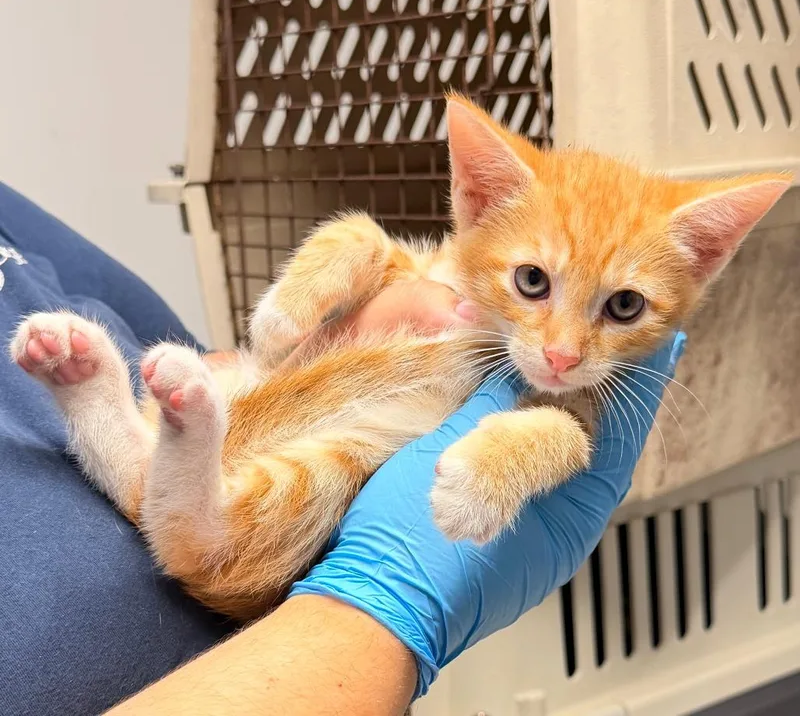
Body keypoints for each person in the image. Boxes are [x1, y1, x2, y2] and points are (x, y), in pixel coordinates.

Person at [0, 181, 683, 715]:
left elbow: (562, 429)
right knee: (297, 448)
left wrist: (336, 337)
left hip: (241, 447)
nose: (562, 349)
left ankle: (142, 459)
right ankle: (167, 488)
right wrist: (381, 605)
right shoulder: (484, 252)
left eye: (620, 308)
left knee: (222, 398)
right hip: (280, 607)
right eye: (533, 284)